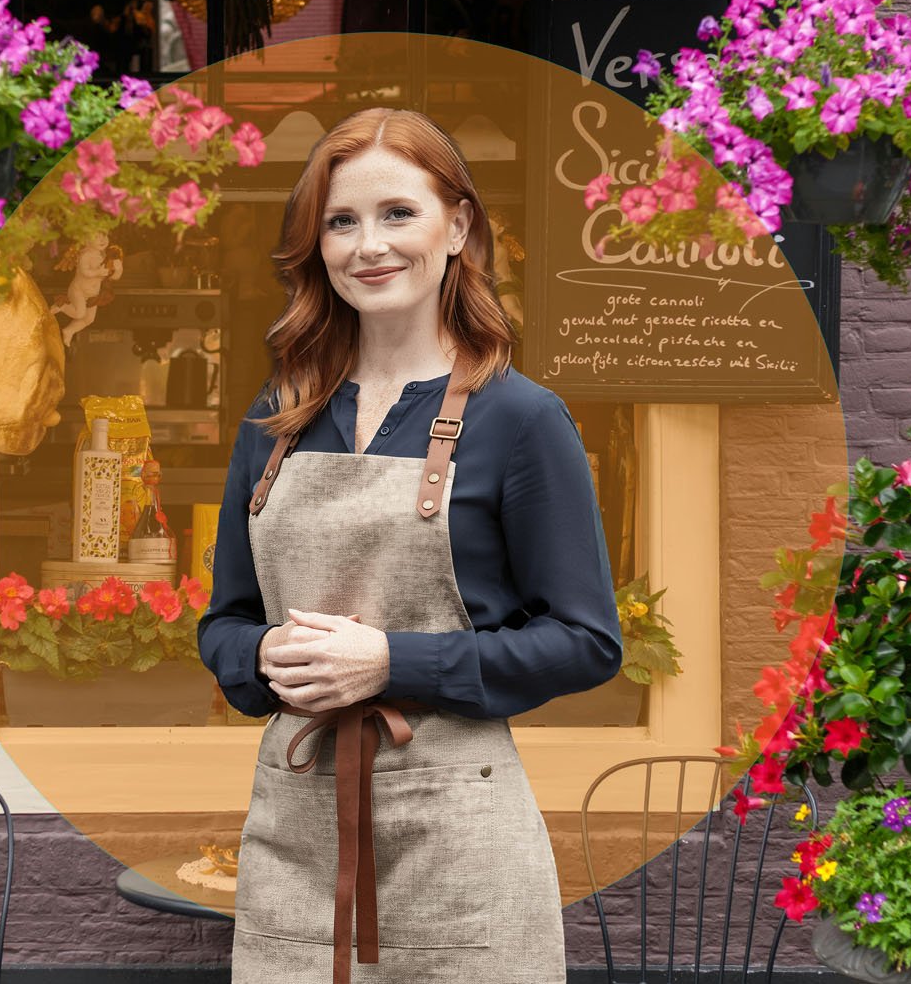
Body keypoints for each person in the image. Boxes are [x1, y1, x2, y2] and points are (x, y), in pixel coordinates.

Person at [197, 106, 623, 984]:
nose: (369, 245)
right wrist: (265, 653)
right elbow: (224, 624)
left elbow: (586, 640)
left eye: (399, 213)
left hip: (459, 845)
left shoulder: (521, 419)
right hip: (295, 833)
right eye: (341, 221)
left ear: (457, 226)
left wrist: (391, 662)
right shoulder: (275, 419)